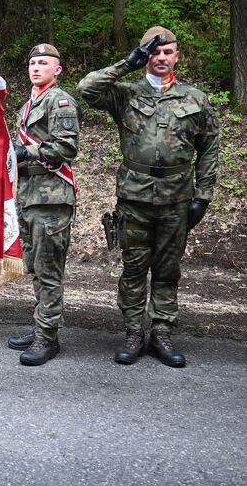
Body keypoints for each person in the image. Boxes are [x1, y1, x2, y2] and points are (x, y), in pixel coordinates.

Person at [77, 26, 219, 368]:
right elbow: (86, 88)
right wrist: (127, 63)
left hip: (177, 198)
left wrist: (204, 195)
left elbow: (210, 147)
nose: (161, 58)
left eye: (167, 52)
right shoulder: (125, 94)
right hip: (135, 198)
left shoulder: (195, 99)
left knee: (168, 270)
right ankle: (132, 333)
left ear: (177, 56)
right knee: (134, 268)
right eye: (154, 53)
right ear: (145, 57)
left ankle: (161, 333)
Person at [7, 45, 80, 366]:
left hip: (51, 196)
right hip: (28, 193)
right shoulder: (28, 104)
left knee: (49, 270)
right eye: (32, 63)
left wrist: (28, 153)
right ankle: (42, 326)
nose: (36, 67)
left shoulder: (60, 101)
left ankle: (47, 338)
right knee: (35, 265)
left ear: (57, 69)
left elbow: (67, 146)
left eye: (43, 63)